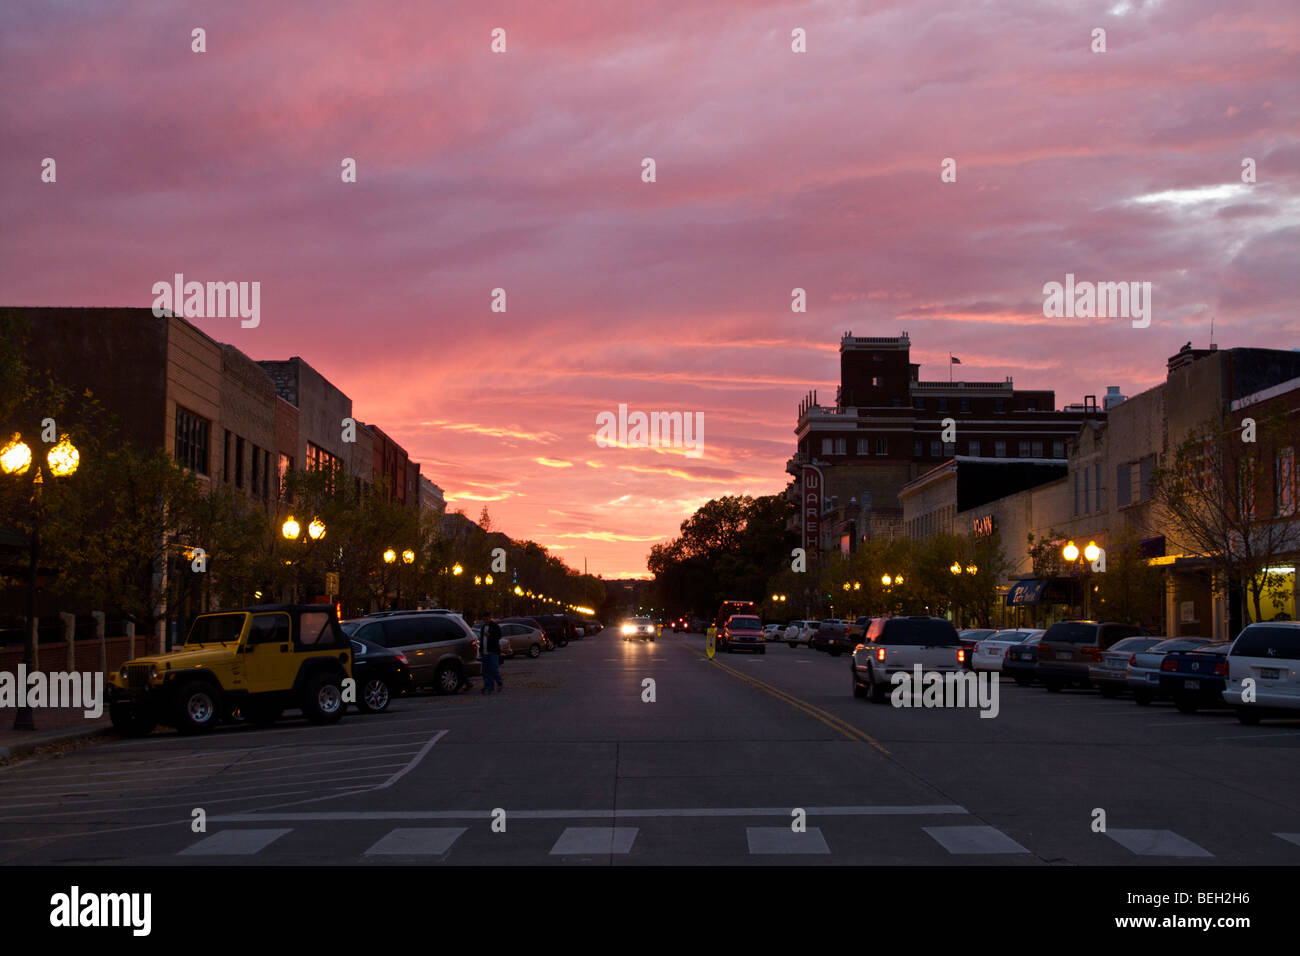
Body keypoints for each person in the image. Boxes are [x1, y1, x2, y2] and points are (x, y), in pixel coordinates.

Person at [481, 618, 504, 694]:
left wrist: (490, 636)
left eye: (486, 618)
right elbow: (482, 639)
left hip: (493, 651)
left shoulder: (495, 626)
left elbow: (499, 636)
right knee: (485, 670)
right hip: (485, 651)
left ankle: (499, 682)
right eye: (484, 619)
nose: (485, 620)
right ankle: (489, 686)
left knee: (493, 668)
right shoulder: (483, 627)